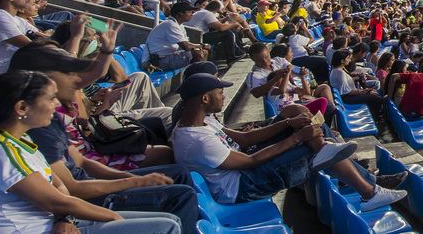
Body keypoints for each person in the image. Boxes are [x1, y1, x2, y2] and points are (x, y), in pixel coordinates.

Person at [0, 70, 184, 234]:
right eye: (49, 98)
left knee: (168, 219)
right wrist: (115, 217)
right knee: (166, 226)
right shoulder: (0, 152)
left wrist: (65, 217)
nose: (55, 103)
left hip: (55, 222)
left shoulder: (20, 140)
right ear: (21, 108)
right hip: (35, 229)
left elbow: (60, 188)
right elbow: (59, 201)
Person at [11, 44, 198, 229]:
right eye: (68, 73)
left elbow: (82, 162)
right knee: (180, 198)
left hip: (89, 183)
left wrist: (127, 177)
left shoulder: (48, 118)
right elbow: (70, 191)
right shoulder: (35, 131)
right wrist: (133, 182)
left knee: (178, 174)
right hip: (89, 195)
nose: (76, 80)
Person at [169, 73, 405, 210]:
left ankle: (364, 180)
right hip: (243, 187)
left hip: (245, 171)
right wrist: (295, 138)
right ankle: (369, 191)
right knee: (310, 144)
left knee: (303, 119)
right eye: (220, 93)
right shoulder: (195, 140)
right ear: (205, 98)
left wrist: (287, 125)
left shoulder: (204, 121)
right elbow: (249, 161)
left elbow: (244, 138)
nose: (223, 97)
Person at [144, 2, 207, 70]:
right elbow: (186, 46)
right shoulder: (170, 24)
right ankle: (196, 77)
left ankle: (201, 75)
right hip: (157, 61)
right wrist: (201, 46)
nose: (192, 14)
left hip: (166, 56)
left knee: (203, 52)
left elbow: (187, 43)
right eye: (189, 12)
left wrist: (200, 46)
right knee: (197, 53)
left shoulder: (179, 25)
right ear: (180, 14)